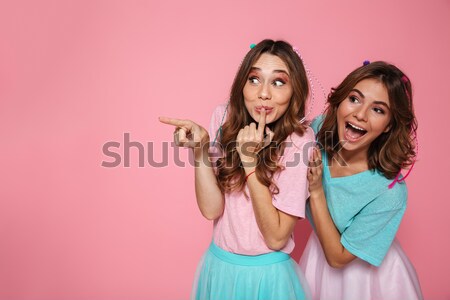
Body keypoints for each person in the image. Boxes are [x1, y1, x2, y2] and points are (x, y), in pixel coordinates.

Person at [160, 39, 314, 300]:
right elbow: (212, 209)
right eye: (254, 79)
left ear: (295, 91)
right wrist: (200, 150)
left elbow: (276, 238)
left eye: (278, 82)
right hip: (219, 267)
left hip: (268, 277)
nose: (263, 93)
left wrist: (250, 163)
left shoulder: (300, 141)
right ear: (242, 84)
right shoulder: (224, 118)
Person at [299, 61, 423, 300]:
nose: (360, 114)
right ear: (341, 101)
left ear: (389, 126)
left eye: (378, 110)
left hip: (366, 279)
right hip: (317, 258)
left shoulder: (389, 191)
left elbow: (338, 258)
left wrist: (316, 191)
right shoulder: (316, 133)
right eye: (354, 99)